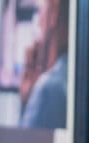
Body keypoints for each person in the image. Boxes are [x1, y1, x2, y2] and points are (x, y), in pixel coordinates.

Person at [19, 0, 69, 129]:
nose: (39, 21)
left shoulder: (48, 89)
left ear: (54, 14)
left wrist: (27, 104)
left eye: (40, 10)